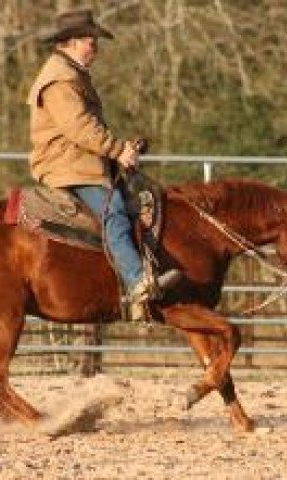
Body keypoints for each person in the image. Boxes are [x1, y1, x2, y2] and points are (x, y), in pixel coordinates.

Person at [27, 8, 180, 320]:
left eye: (94, 41)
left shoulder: (70, 75)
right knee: (114, 214)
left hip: (80, 161)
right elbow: (79, 128)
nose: (94, 47)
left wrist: (121, 149)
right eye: (89, 41)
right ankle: (137, 282)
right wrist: (117, 150)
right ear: (69, 43)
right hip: (68, 166)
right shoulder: (60, 80)